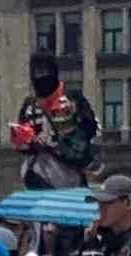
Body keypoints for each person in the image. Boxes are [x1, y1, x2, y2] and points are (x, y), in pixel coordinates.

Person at [10, 52, 98, 190]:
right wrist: (29, 141)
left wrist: (61, 142)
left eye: (45, 71)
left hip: (68, 168)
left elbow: (89, 127)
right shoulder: (29, 104)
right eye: (37, 72)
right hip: (37, 167)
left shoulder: (73, 97)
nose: (41, 76)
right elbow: (22, 139)